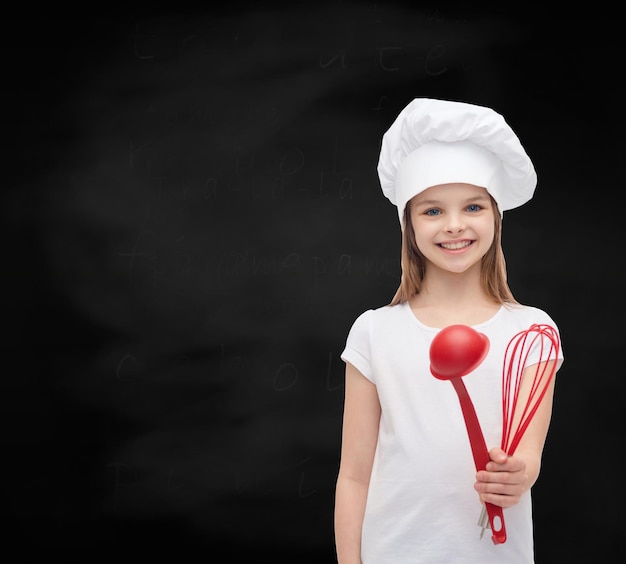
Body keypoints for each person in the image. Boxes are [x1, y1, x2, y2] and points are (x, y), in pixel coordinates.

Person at [334, 98, 565, 563]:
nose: (455, 225)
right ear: (408, 224)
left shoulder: (533, 332)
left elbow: (529, 454)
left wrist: (518, 474)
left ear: (496, 217)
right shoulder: (374, 332)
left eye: (473, 206)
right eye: (432, 211)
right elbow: (355, 476)